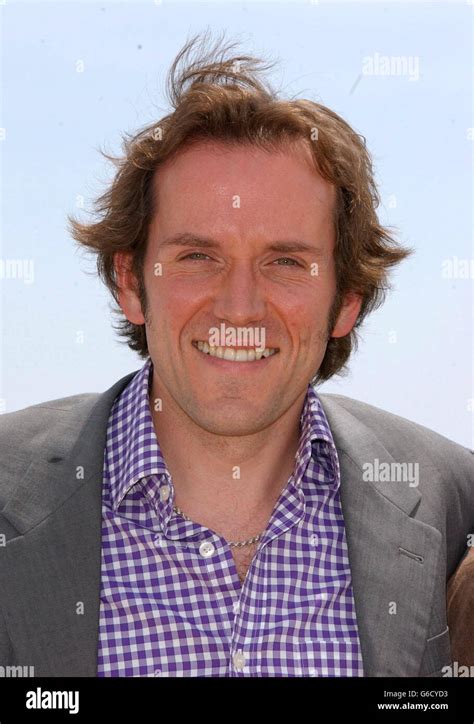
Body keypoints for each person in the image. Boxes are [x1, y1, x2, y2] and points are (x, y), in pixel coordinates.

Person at [0, 33, 472, 678]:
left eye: (286, 262)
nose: (240, 307)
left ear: (346, 301)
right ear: (131, 283)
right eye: (198, 256)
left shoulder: (453, 501)